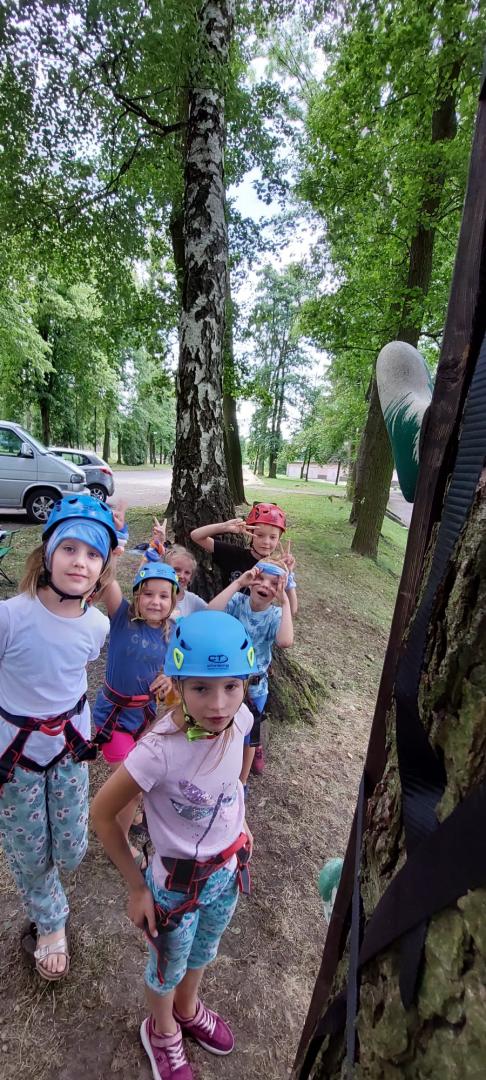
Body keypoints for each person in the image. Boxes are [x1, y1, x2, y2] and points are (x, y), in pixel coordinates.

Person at [91, 610, 255, 1080]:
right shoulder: (158, 751)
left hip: (226, 872)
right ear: (178, 684)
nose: (219, 704)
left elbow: (233, 776)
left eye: (231, 686)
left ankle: (188, 1008)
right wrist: (136, 888)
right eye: (201, 688)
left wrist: (240, 821)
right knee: (168, 965)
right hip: (174, 888)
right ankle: (161, 1029)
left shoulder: (240, 718)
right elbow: (102, 814)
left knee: (204, 949)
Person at [0, 494, 116, 980]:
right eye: (69, 549)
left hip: (69, 748)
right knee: (32, 853)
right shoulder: (10, 617)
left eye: (92, 554)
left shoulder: (97, 625)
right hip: (15, 757)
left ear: (103, 568)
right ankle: (51, 921)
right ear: (47, 554)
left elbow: (74, 669)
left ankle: (52, 881)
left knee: (70, 849)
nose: (80, 562)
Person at [92, 562, 180, 863]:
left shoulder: (173, 632)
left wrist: (169, 678)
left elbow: (176, 672)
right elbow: (107, 578)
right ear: (136, 596)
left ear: (173, 600)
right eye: (148, 594)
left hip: (145, 718)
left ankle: (130, 814)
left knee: (138, 781)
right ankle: (117, 847)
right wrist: (114, 549)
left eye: (164, 596)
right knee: (131, 787)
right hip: (113, 719)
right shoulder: (122, 617)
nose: (155, 601)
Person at [208, 560, 294, 777]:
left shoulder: (275, 615)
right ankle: (217, 769)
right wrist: (239, 583)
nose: (265, 585)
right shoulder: (237, 601)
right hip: (226, 683)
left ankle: (243, 780)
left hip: (255, 687)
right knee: (220, 725)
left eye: (274, 583)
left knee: (250, 737)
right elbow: (210, 612)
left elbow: (285, 641)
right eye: (260, 578)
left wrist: (285, 602)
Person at [190, 502, 298, 615]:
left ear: (278, 539)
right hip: (226, 617)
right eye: (260, 535)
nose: (266, 542)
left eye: (272, 537)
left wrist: (289, 575)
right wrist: (224, 527)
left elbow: (292, 610)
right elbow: (196, 536)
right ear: (250, 533)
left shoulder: (275, 569)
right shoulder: (234, 554)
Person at [164, 545, 208, 618]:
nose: (182, 576)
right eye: (177, 569)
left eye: (187, 572)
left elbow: (212, 613)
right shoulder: (154, 596)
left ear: (191, 578)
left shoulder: (192, 600)